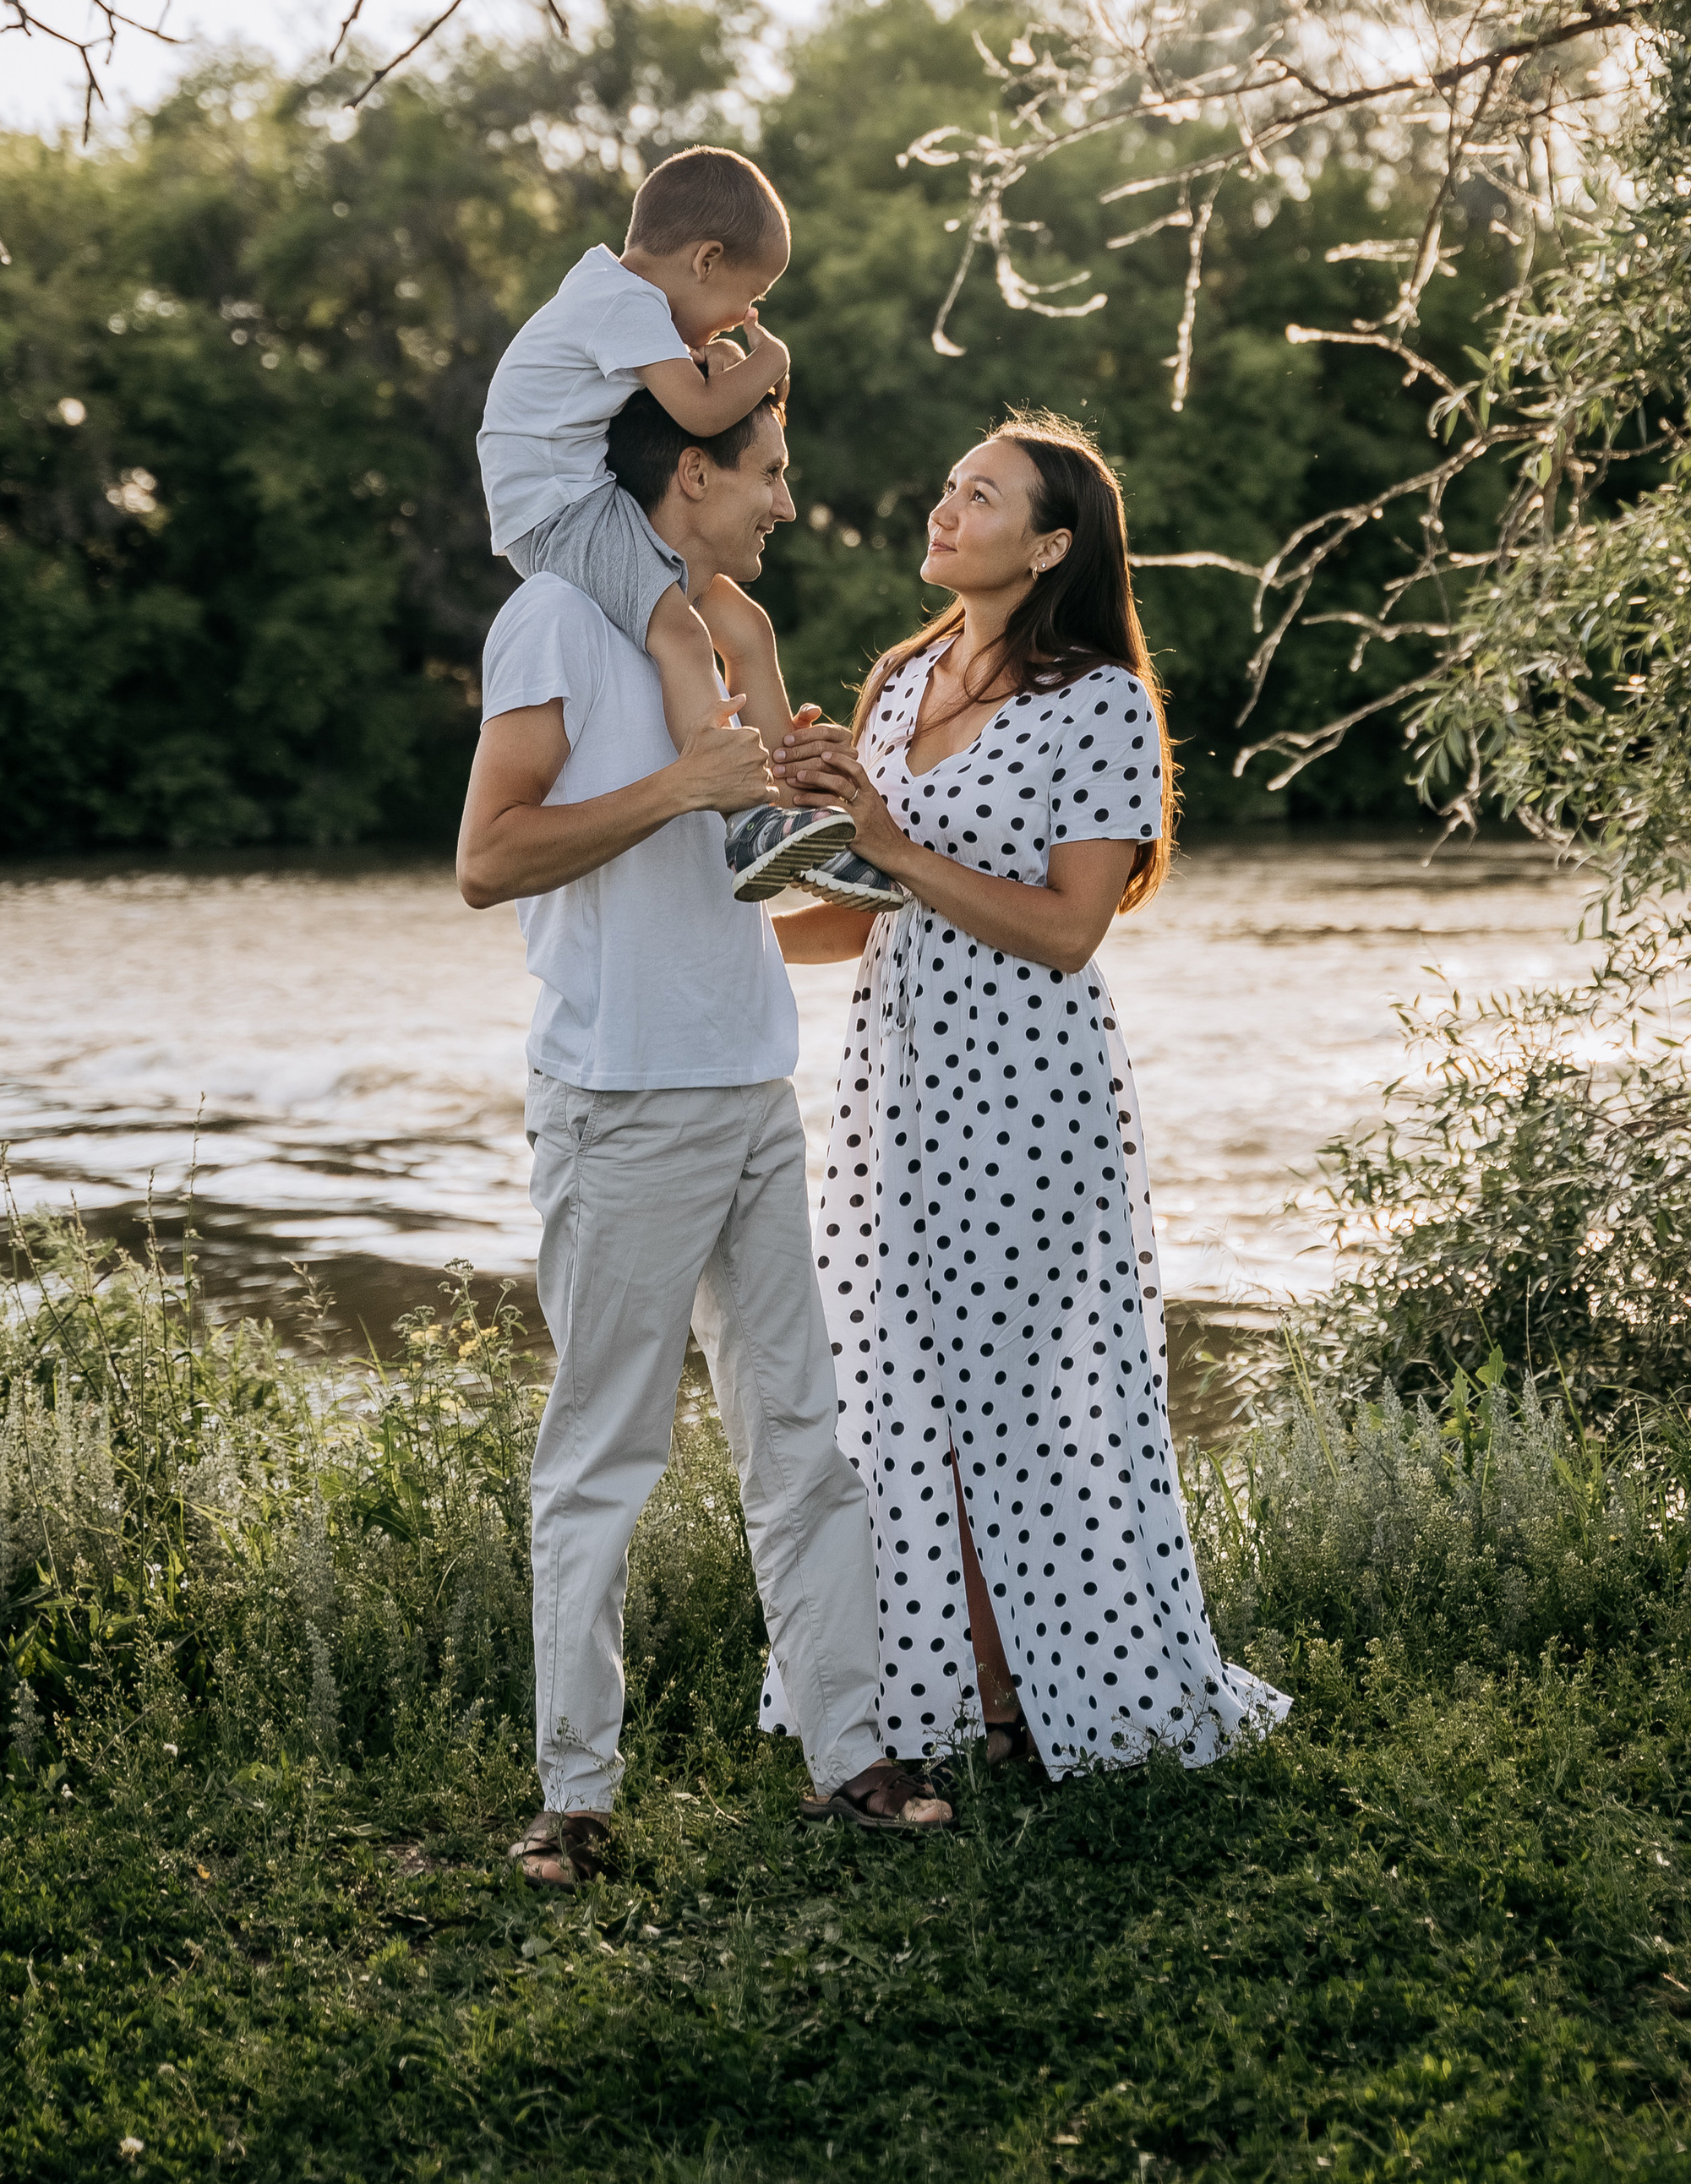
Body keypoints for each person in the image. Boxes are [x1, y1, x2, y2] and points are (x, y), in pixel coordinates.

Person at [456, 378, 951, 1879]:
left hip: (751, 1087)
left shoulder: (731, 625)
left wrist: (829, 820)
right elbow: (489, 858)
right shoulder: (556, 617)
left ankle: (848, 1754)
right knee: (603, 1455)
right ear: (688, 472)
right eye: (770, 472)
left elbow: (756, 909)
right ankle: (577, 1798)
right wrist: (689, 783)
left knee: (805, 1440)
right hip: (621, 1106)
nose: (787, 501)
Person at [762, 411, 1288, 1780]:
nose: (947, 508)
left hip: (1027, 1097)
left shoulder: (1097, 702)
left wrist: (881, 840)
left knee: (1014, 1400)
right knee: (898, 1393)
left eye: (981, 496)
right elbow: (866, 912)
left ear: (1050, 544)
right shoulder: (900, 682)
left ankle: (1033, 1708)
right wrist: (713, 942)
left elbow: (1067, 928)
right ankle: (947, 1698)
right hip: (894, 1091)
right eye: (950, 486)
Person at [474, 140, 886, 907]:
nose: (749, 315)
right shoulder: (621, 303)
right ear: (705, 260)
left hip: (578, 492)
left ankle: (796, 812)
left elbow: (691, 391)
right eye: (749, 293)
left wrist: (725, 351)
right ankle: (745, 820)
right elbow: (699, 412)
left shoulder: (613, 298)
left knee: (747, 627)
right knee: (683, 633)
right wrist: (772, 359)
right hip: (558, 511)